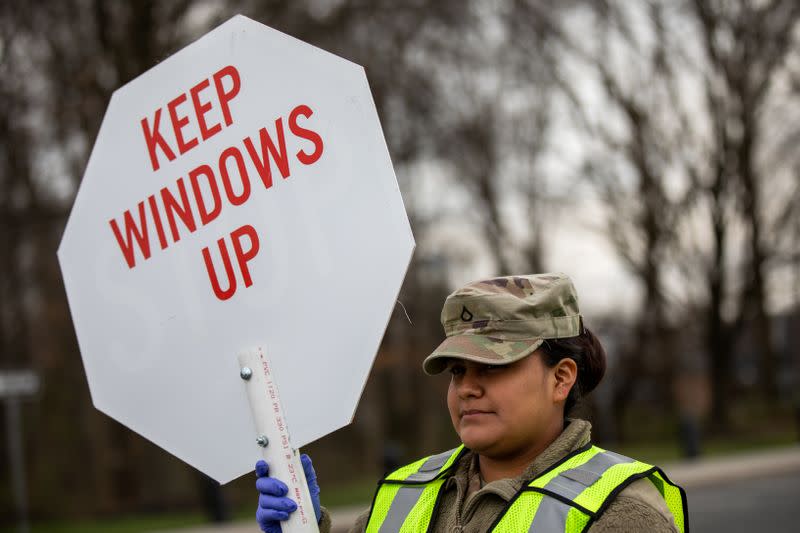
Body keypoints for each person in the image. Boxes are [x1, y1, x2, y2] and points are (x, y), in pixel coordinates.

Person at [255, 273, 689, 532]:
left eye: (493, 367)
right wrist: (306, 527)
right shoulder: (407, 491)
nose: (467, 388)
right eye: (458, 370)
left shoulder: (620, 510)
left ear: (560, 379)